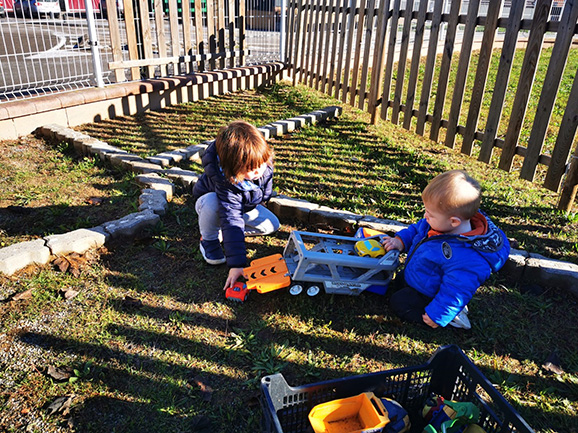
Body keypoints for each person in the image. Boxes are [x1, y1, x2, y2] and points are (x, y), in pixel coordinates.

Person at [381, 170, 510, 329]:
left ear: (454, 222)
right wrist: (400, 241)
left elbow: (456, 290)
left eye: (430, 213)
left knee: (398, 302)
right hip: (419, 277)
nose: (425, 216)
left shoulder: (467, 257)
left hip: (430, 293)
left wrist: (438, 314)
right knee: (396, 283)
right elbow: (417, 229)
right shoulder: (439, 223)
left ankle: (450, 319)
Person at [193, 121, 280, 290]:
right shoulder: (226, 183)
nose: (258, 172)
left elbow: (266, 185)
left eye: (261, 164)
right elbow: (231, 217)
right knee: (214, 204)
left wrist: (263, 200)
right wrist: (237, 265)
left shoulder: (263, 165)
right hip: (210, 205)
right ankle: (209, 239)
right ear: (234, 168)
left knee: (272, 225)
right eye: (250, 168)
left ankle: (223, 233)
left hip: (241, 207)